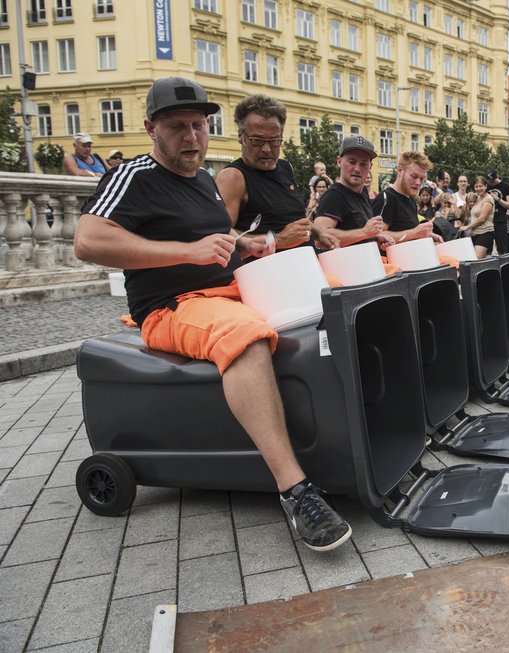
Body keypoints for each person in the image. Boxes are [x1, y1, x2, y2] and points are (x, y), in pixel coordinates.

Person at [72, 77, 352, 552]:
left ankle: (350, 442)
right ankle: (296, 490)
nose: (192, 137)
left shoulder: (202, 179)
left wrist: (261, 244)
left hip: (231, 288)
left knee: (338, 302)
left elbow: (225, 243)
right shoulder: (134, 175)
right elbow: (87, 242)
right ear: (150, 129)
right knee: (245, 337)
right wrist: (186, 250)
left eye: (199, 126)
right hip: (171, 306)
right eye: (177, 127)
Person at [216, 94, 334, 255]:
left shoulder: (286, 167)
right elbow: (221, 237)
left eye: (274, 141)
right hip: (267, 274)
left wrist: (318, 230)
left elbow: (291, 218)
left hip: (306, 268)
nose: (266, 149)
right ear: (240, 136)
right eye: (257, 140)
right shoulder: (232, 177)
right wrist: (277, 240)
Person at [313, 136, 392, 249]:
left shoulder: (363, 192)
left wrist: (374, 237)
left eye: (363, 164)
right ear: (339, 161)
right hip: (343, 265)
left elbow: (358, 232)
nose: (357, 169)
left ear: (371, 166)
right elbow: (320, 238)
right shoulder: (334, 195)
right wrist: (364, 233)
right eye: (352, 162)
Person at [372, 151, 443, 245]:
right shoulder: (386, 198)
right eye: (414, 176)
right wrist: (415, 233)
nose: (418, 182)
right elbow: (376, 237)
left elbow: (407, 232)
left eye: (422, 179)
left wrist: (428, 236)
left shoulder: (411, 200)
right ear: (400, 170)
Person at [486, 168, 509, 255]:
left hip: (500, 220)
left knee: (501, 249)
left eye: (492, 179)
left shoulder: (506, 186)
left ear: (497, 176)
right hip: (487, 221)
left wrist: (498, 199)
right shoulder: (486, 186)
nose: (490, 182)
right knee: (487, 249)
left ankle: (502, 267)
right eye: (489, 180)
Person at [466, 175, 496, 258]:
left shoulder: (488, 199)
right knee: (478, 262)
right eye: (476, 186)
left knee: (476, 260)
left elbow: (482, 218)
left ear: (486, 186)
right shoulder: (478, 198)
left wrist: (467, 227)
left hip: (485, 233)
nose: (478, 188)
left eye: (480, 186)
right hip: (475, 234)